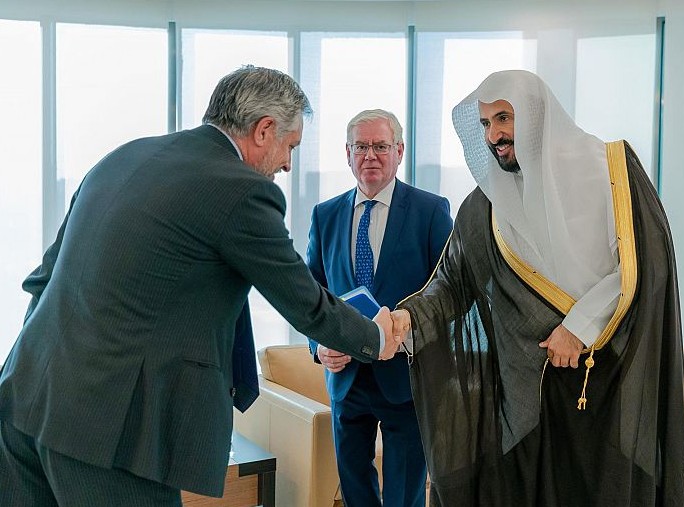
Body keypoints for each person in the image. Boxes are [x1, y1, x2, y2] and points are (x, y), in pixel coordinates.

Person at [0, 65, 402, 507]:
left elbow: (44, 277)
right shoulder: (240, 189)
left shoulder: (126, 155)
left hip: (24, 396)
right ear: (264, 130)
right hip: (104, 429)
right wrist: (375, 336)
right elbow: (304, 302)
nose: (288, 164)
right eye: (290, 146)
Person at [391, 70, 684, 506]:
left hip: (605, 383)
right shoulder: (486, 204)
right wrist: (407, 319)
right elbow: (452, 284)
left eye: (503, 118)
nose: (493, 136)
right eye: (485, 123)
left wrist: (579, 327)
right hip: (525, 397)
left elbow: (645, 265)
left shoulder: (612, 169)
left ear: (536, 114)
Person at [307, 109, 452, 507]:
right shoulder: (325, 215)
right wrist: (318, 346)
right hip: (346, 378)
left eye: (380, 146)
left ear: (399, 151)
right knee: (355, 490)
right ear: (347, 153)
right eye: (361, 147)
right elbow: (311, 295)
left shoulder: (430, 211)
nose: (370, 155)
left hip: (406, 377)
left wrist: (408, 333)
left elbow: (451, 290)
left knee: (404, 496)